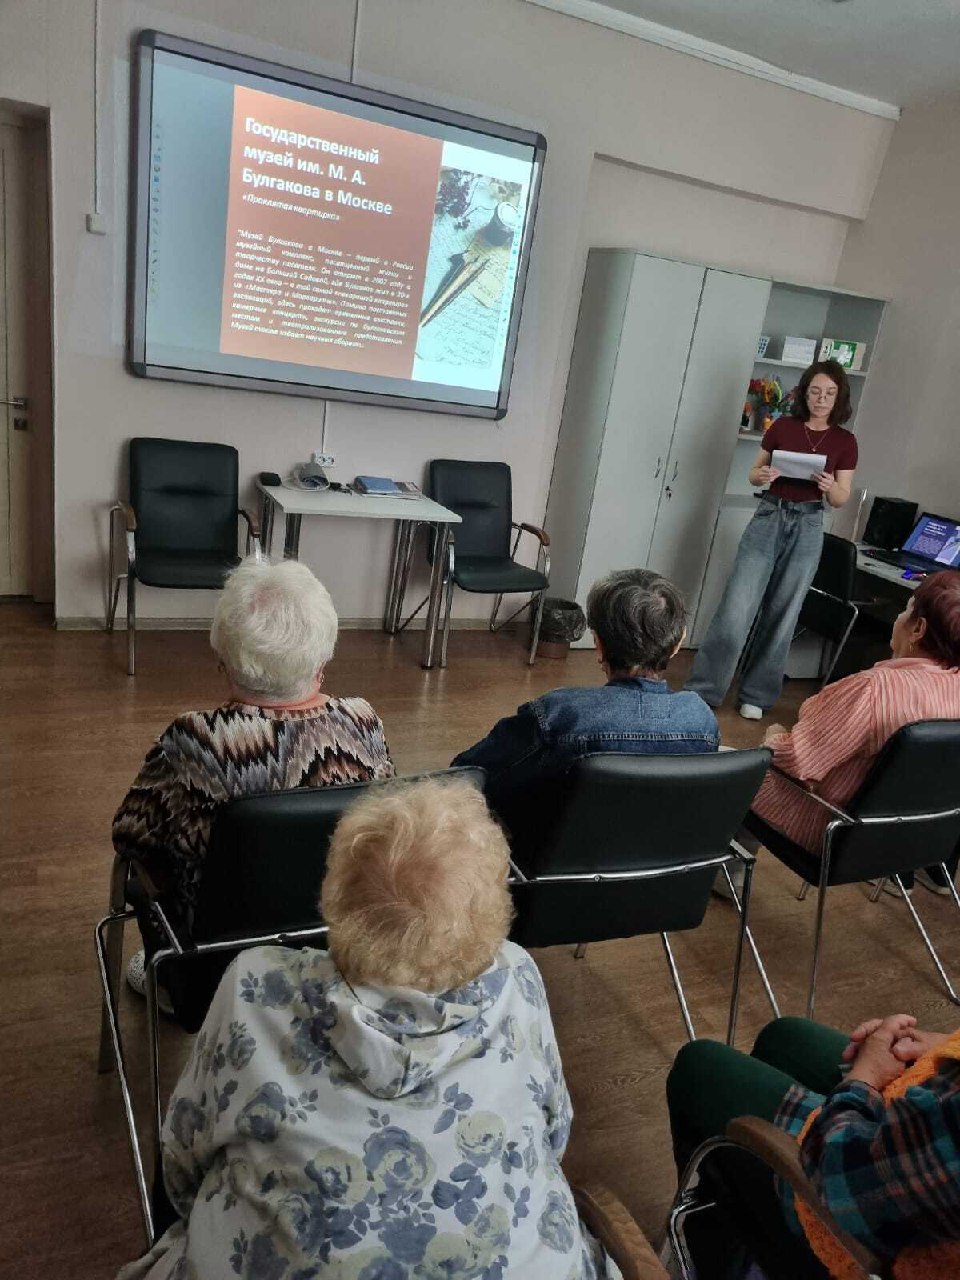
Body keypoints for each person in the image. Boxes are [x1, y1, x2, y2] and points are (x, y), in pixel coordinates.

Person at [117, 778, 615, 1280]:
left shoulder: (256, 985)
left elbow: (183, 1160)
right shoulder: (517, 977)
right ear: (493, 911)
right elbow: (554, 1134)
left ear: (334, 891)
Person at [113, 557, 394, 996]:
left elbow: (130, 836)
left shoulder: (195, 740)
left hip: (220, 966)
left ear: (223, 662)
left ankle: (166, 987)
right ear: (323, 660)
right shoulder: (364, 721)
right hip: (341, 947)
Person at [451, 569, 718, 861]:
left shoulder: (559, 715)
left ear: (598, 645)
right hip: (659, 874)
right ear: (678, 644)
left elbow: (467, 773)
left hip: (550, 875)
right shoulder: (701, 720)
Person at [667, 1013, 960, 1279]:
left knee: (699, 1068)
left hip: (846, 1202)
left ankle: (724, 1267)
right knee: (783, 1038)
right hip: (924, 1131)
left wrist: (865, 1077)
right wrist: (945, 1046)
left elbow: (843, 1175)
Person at [747, 570, 960, 894]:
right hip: (915, 842)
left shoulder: (873, 690)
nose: (898, 618)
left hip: (834, 832)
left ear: (918, 629)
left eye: (905, 610)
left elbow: (795, 762)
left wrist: (772, 737)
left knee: (731, 770)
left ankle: (726, 874)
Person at [687, 360, 858, 720]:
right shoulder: (783, 426)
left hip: (809, 521)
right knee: (737, 605)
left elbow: (842, 497)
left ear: (839, 397)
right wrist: (762, 474)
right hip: (769, 515)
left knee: (785, 610)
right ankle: (705, 688)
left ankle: (757, 695)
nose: (821, 399)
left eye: (829, 393)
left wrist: (830, 487)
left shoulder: (845, 441)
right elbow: (753, 473)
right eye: (815, 391)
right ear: (804, 393)